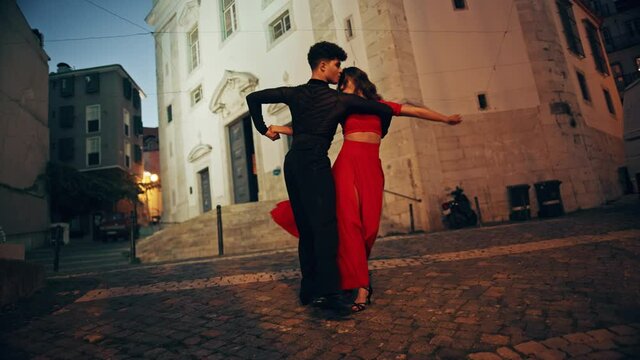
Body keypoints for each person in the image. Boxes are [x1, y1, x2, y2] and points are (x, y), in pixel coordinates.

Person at [270, 66, 462, 312]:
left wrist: (445, 118)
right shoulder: (342, 105)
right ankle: (362, 287)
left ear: (357, 81)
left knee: (369, 227)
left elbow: (411, 109)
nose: (340, 87)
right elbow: (311, 127)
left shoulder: (380, 106)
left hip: (371, 167)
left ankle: (349, 275)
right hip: (347, 165)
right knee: (349, 224)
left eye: (344, 83)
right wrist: (281, 128)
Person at [245, 43, 394, 310]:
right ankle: (329, 291)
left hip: (293, 163)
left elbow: (252, 98)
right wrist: (381, 132)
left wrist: (264, 129)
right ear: (323, 65)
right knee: (325, 226)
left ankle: (309, 290)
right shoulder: (340, 99)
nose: (340, 71)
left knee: (307, 228)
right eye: (337, 65)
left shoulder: (294, 93)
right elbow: (384, 110)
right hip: (315, 162)